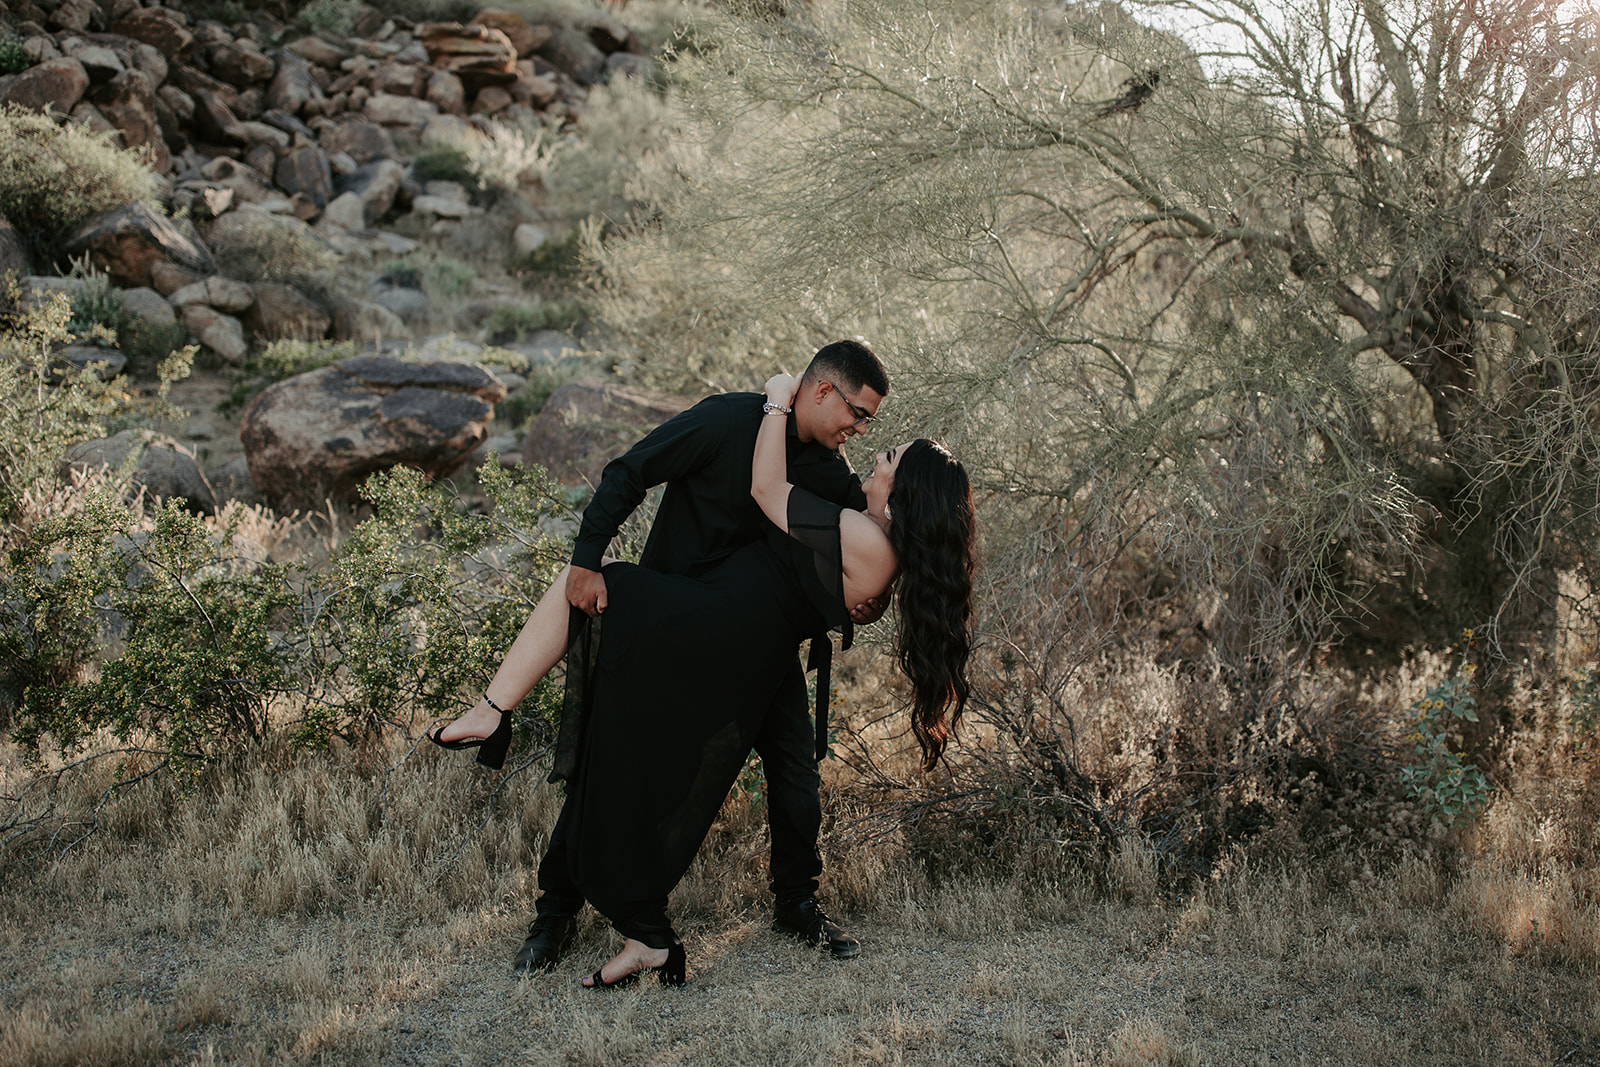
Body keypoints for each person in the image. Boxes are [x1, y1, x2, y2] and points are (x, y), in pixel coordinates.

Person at [431, 369, 977, 988]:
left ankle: (492, 711)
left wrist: (775, 399)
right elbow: (846, 565)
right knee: (637, 759)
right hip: (731, 626)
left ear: (904, 487)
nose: (865, 445)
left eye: (883, 452)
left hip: (721, 628)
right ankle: (614, 923)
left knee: (582, 592)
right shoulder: (836, 498)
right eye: (862, 421)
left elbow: (770, 490)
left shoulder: (862, 529)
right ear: (825, 391)